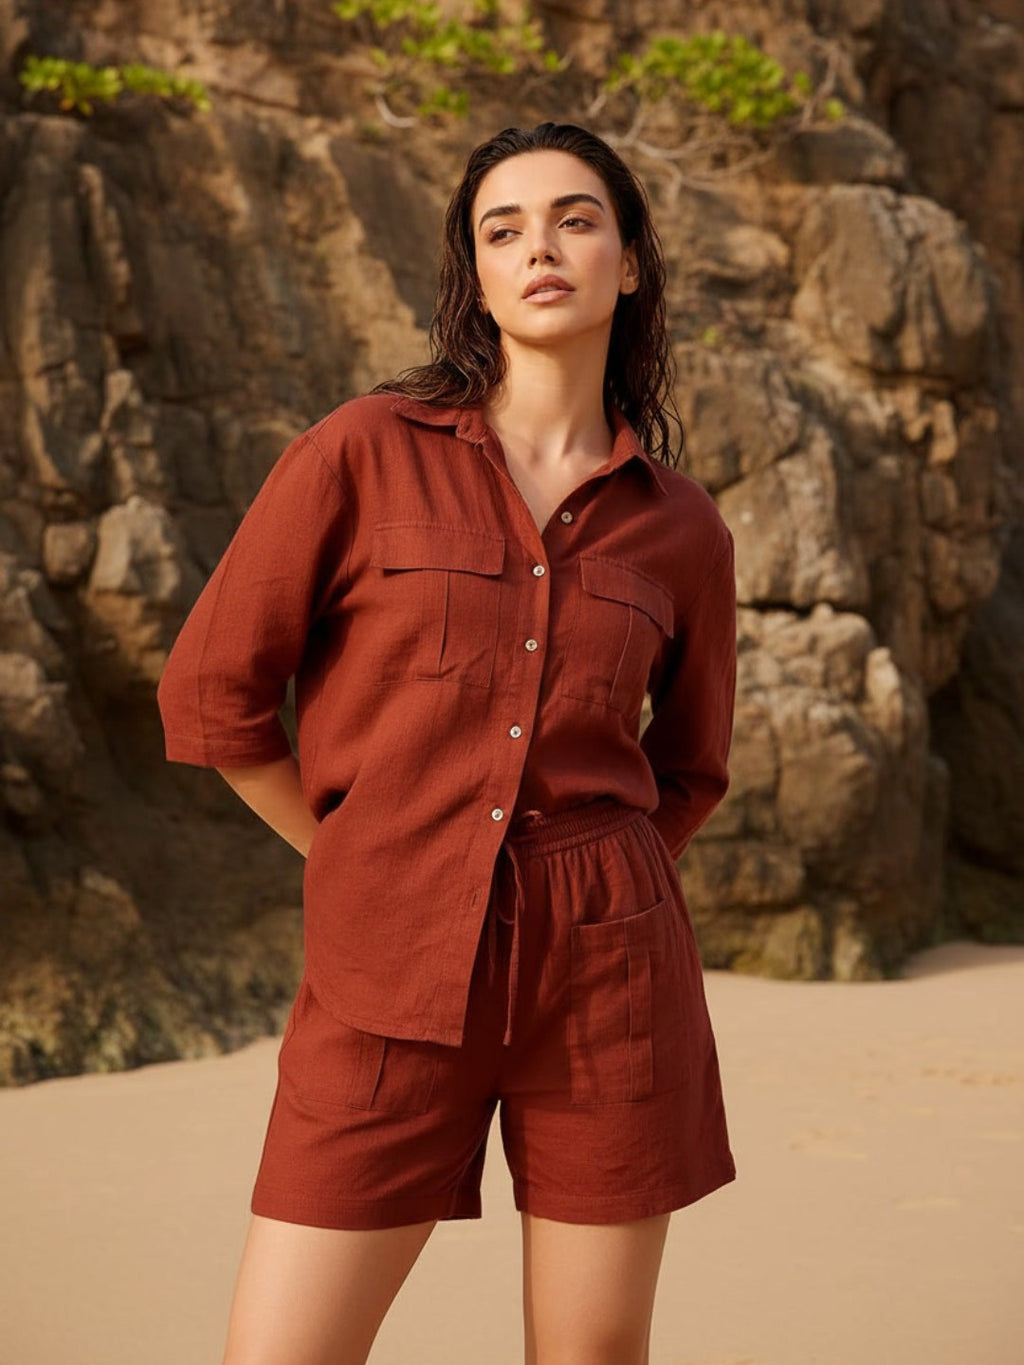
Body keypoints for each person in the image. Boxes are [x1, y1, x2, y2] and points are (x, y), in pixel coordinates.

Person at [156, 120, 738, 1365]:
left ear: (628, 262)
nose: (542, 249)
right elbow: (214, 695)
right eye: (503, 228)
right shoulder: (360, 452)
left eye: (577, 221)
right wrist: (346, 850)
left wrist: (602, 892)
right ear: (471, 273)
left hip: (608, 973)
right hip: (387, 948)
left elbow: (690, 768)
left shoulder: (679, 527)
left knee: (587, 1357)